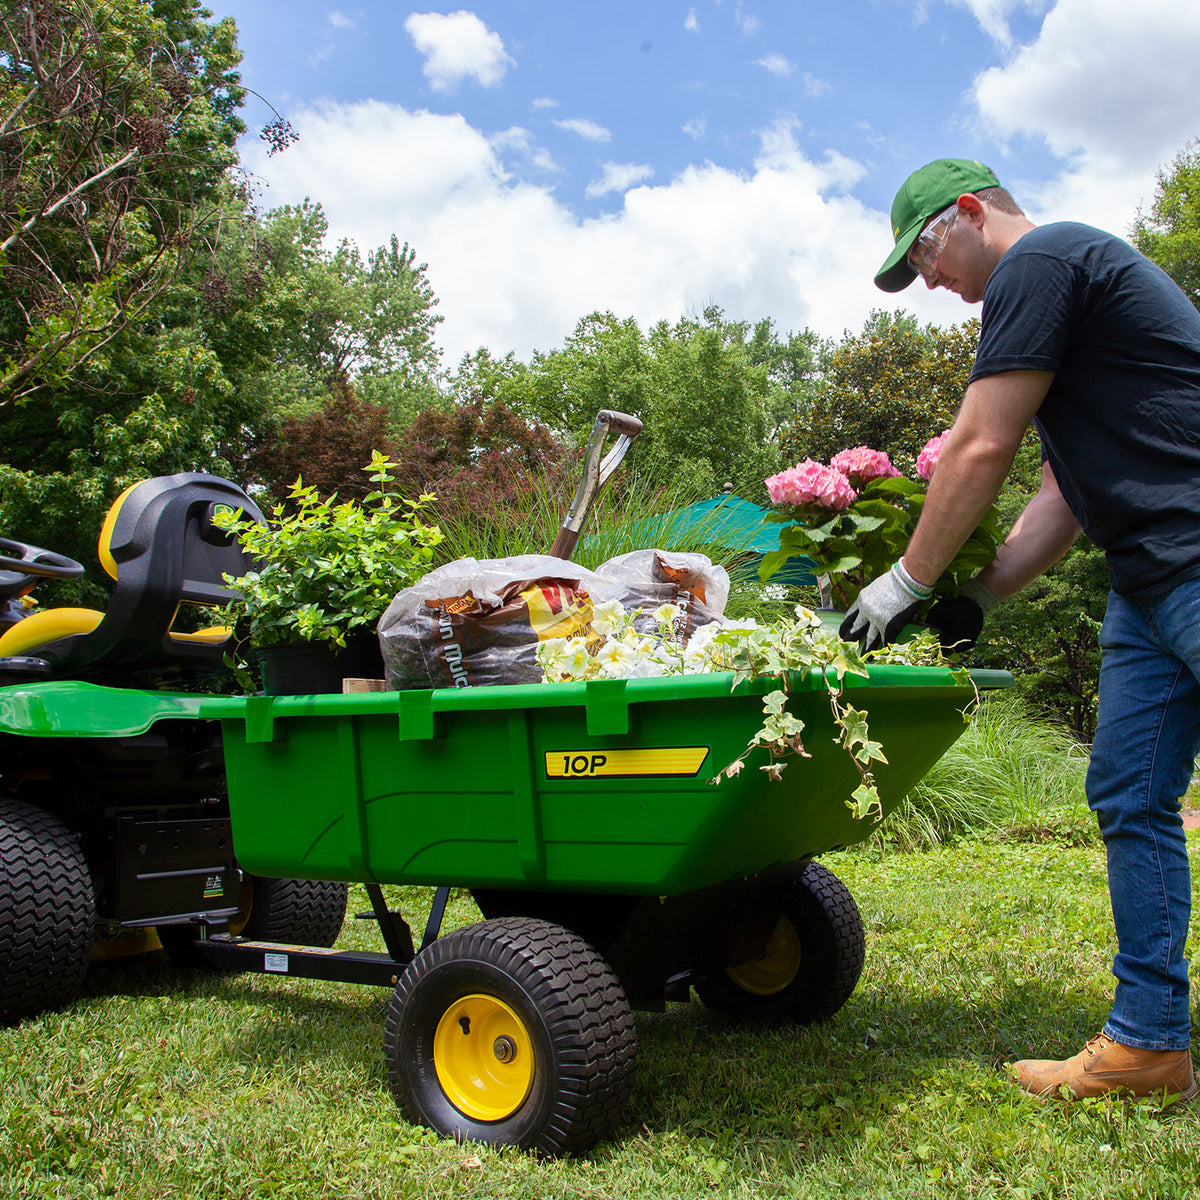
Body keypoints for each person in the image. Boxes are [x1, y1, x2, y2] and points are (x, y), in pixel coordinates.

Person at [841, 157, 1200, 1106]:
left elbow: (979, 444)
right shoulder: (1061, 304)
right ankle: (1149, 1044)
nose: (928, 282)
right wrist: (982, 596)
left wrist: (902, 584)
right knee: (1128, 795)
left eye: (922, 253)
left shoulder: (1043, 261)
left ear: (968, 214)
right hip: (1147, 580)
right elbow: (1057, 494)